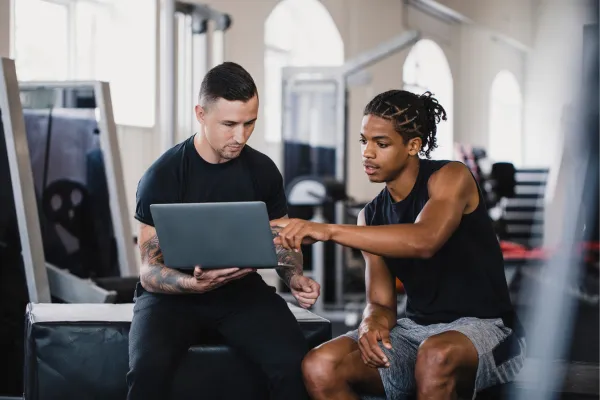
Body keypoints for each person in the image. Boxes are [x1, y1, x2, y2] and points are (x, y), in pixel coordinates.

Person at [271, 90, 526, 400]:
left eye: (381, 144)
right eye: (363, 141)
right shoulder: (372, 215)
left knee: (435, 356)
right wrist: (371, 324)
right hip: (416, 332)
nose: (367, 152)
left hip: (491, 330)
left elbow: (425, 240)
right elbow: (380, 302)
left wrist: (327, 231)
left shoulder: (451, 177)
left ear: (413, 146)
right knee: (321, 365)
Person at [127, 62, 320, 400]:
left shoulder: (262, 170)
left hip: (239, 292)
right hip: (170, 298)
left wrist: (295, 277)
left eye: (250, 123)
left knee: (293, 364)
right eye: (229, 124)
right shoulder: (164, 174)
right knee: (147, 372)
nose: (240, 136)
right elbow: (148, 269)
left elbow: (281, 241)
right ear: (201, 114)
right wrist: (191, 283)